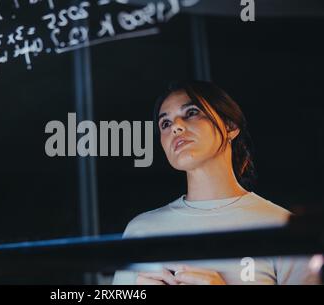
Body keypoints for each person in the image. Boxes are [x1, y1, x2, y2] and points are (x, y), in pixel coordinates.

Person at [112, 81, 318, 285]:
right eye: (165, 123)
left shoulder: (283, 227)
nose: (175, 127)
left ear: (230, 126)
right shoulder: (141, 230)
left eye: (191, 112)